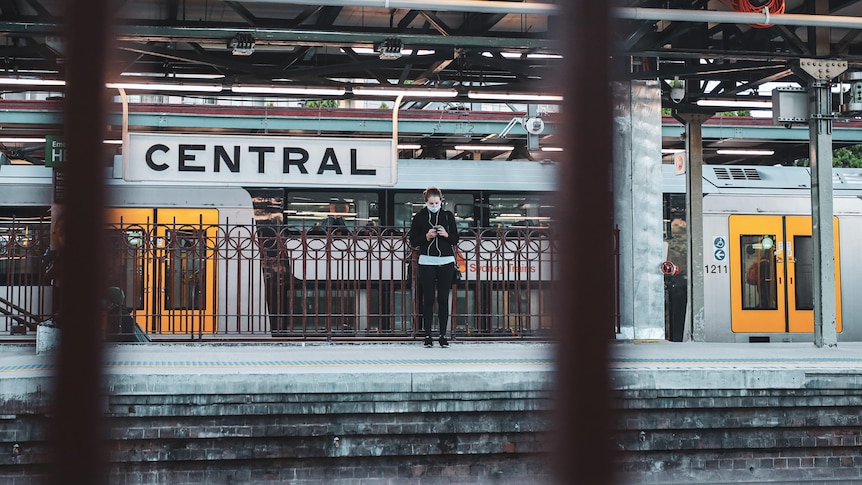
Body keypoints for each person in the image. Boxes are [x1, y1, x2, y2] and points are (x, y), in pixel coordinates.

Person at [409, 186, 459, 348]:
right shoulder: (419, 217)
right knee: (428, 299)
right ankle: (428, 335)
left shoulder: (447, 215)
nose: (434, 205)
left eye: (436, 202)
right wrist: (427, 236)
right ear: (426, 202)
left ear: (441, 201)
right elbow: (413, 241)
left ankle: (443, 336)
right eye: (431, 203)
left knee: (443, 299)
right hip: (426, 261)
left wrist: (445, 234)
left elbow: (455, 239)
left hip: (446, 261)